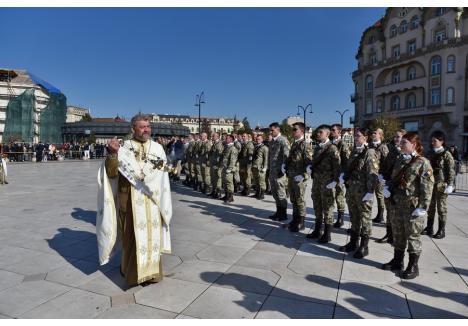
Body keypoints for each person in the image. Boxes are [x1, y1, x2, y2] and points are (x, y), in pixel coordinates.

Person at [98, 113, 172, 286]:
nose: (146, 130)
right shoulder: (123, 148)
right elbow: (112, 173)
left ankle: (152, 273)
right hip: (130, 201)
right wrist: (112, 155)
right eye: (142, 127)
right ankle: (131, 273)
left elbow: (163, 179)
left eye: (148, 126)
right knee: (132, 239)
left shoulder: (157, 149)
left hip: (152, 202)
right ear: (133, 129)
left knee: (152, 239)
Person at [382, 132, 434, 279]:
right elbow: (394, 177)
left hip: (412, 207)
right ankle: (397, 261)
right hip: (397, 204)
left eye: (404, 142)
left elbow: (428, 186)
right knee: (398, 234)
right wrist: (388, 187)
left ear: (414, 144)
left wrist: (423, 207)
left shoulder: (423, 162)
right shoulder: (399, 159)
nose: (401, 144)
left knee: (412, 236)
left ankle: (413, 266)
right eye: (401, 142)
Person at [339, 128, 379, 259]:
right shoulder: (354, 151)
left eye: (359, 136)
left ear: (366, 138)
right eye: (355, 136)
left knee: (365, 219)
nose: (356, 138)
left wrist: (370, 192)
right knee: (354, 217)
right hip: (352, 191)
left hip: (363, 193)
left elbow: (372, 174)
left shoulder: (370, 152)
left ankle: (364, 246)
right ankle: (353, 242)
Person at [307, 124, 340, 242]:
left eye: (321, 132)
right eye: (318, 132)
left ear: (327, 134)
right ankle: (317, 230)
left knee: (328, 208)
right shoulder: (317, 148)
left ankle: (327, 234)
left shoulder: (332, 148)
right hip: (317, 182)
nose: (318, 134)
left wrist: (335, 181)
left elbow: (337, 167)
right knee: (317, 205)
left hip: (327, 183)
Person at [422, 131, 455, 239]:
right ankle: (429, 227)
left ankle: (441, 230)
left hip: (442, 185)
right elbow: (426, 168)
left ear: (442, 141)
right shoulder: (429, 153)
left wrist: (450, 184)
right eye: (432, 141)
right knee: (430, 207)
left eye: (435, 141)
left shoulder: (447, 154)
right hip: (431, 184)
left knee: (441, 208)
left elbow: (451, 171)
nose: (433, 143)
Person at [376, 129, 406, 244]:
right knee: (389, 211)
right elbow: (385, 166)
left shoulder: (408, 154)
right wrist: (381, 175)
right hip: (389, 186)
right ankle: (389, 235)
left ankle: (399, 237)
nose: (396, 139)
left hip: (400, 188)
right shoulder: (391, 151)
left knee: (399, 213)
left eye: (398, 137)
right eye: (395, 137)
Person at [285, 122, 313, 232]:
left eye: (295, 129)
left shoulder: (305, 145)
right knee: (293, 199)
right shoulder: (294, 144)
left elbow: (309, 163)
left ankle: (301, 222)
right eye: (293, 129)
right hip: (291, 176)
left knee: (300, 200)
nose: (293, 131)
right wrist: (285, 165)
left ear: (301, 131)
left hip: (299, 177)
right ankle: (295, 220)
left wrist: (304, 176)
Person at [268, 122, 290, 221]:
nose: (271, 132)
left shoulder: (283, 140)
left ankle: (283, 213)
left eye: (272, 130)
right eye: (270, 130)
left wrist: (283, 169)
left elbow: (286, 156)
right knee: (274, 193)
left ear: (278, 129)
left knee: (281, 193)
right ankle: (278, 211)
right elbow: (271, 156)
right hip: (272, 171)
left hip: (280, 172)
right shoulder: (272, 141)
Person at [330, 123, 351, 228]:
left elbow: (346, 160)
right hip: (330, 175)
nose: (331, 131)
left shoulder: (342, 144)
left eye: (334, 130)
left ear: (339, 131)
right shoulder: (330, 143)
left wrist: (343, 175)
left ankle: (340, 218)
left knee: (339, 196)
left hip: (339, 175)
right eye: (331, 130)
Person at [369, 128, 389, 224]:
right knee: (369, 194)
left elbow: (386, 162)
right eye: (373, 133)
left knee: (379, 195)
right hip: (370, 175)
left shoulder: (383, 147)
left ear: (380, 135)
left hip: (379, 175)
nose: (373, 134)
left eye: (375, 133)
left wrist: (383, 175)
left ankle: (380, 215)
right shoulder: (370, 145)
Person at [221, 134, 238, 203]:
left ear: (231, 139)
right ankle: (226, 195)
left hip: (229, 169)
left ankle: (231, 197)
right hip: (225, 167)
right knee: (225, 182)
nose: (225, 139)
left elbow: (233, 159)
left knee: (229, 182)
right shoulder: (227, 147)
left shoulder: (233, 148)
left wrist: (230, 168)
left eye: (227, 138)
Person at [251, 134, 269, 200]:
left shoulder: (265, 148)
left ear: (262, 139)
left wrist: (265, 167)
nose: (257, 140)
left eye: (259, 139)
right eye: (256, 139)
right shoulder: (256, 146)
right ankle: (257, 192)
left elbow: (266, 158)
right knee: (256, 180)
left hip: (260, 167)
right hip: (255, 166)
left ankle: (262, 194)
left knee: (261, 181)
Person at [209, 132, 225, 199]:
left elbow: (220, 155)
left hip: (217, 164)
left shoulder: (219, 144)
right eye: (212, 136)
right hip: (213, 163)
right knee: (213, 179)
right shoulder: (215, 143)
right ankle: (214, 191)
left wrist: (219, 164)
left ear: (217, 137)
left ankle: (218, 193)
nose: (212, 137)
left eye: (214, 136)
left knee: (218, 179)